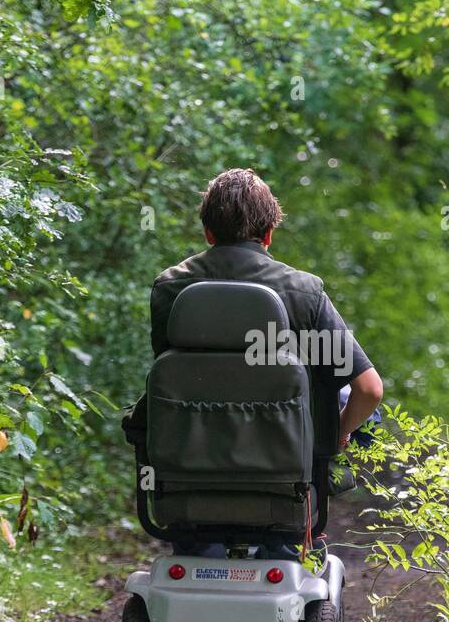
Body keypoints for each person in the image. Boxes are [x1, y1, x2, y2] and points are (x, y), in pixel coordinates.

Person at [150, 167, 383, 558]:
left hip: (188, 479)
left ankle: (201, 540)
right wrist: (337, 436)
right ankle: (299, 536)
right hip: (285, 478)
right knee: (352, 402)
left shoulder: (169, 288)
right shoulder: (303, 292)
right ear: (269, 234)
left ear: (208, 232)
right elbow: (369, 389)